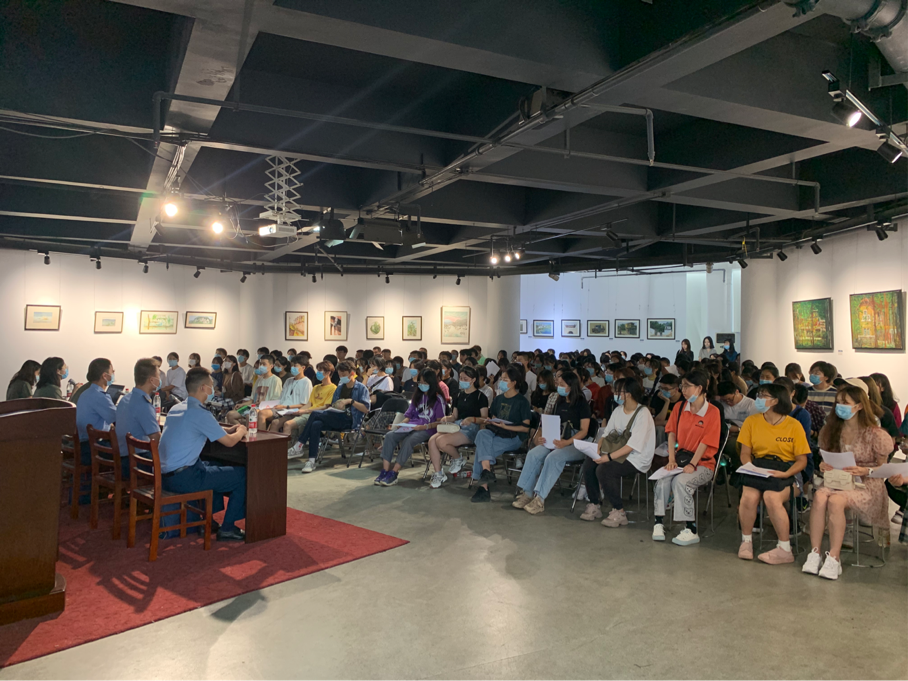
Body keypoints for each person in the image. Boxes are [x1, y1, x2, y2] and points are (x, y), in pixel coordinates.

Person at [803, 384, 892, 580]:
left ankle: (834, 558)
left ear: (859, 406)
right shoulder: (830, 430)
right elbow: (825, 457)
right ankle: (815, 553)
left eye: (845, 403)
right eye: (838, 403)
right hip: (839, 479)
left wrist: (865, 470)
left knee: (835, 501)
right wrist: (824, 465)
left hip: (867, 483)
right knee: (819, 497)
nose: (839, 406)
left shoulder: (875, 434)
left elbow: (883, 468)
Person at [158, 367, 248, 541]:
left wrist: (227, 430)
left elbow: (203, 428)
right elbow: (230, 442)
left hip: (166, 477)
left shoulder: (177, 408)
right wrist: (241, 431)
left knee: (214, 465)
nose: (213, 390)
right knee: (242, 475)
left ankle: (208, 521)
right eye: (211, 386)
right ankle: (228, 528)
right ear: (202, 388)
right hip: (185, 479)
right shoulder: (199, 413)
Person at [736, 383, 810, 565]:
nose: (759, 399)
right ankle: (746, 541)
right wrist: (750, 467)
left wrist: (785, 474)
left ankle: (784, 549)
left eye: (763, 396)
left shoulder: (794, 425)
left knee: (771, 497)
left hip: (788, 471)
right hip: (759, 468)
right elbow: (745, 453)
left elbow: (802, 460)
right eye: (759, 395)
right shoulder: (751, 422)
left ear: (775, 401)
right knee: (749, 496)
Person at [651, 370, 721, 545]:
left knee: (681, 482)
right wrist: (671, 460)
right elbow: (671, 434)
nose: (683, 390)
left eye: (687, 386)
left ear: (700, 388)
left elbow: (706, 442)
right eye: (682, 386)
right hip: (680, 460)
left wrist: (693, 464)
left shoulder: (712, 412)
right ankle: (658, 522)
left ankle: (691, 528)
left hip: (703, 464)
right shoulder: (680, 407)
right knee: (662, 480)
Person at [579, 377, 655, 526]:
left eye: (618, 391)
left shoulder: (642, 413)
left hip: (636, 457)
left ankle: (619, 511)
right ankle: (594, 504)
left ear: (628, 394)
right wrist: (598, 448)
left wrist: (607, 457)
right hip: (616, 452)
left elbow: (632, 446)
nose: (614, 394)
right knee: (589, 464)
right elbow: (606, 433)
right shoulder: (618, 410)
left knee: (604, 470)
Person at [513, 371, 591, 515]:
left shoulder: (581, 403)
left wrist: (566, 442)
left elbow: (584, 431)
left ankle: (540, 498)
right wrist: (544, 437)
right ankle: (527, 492)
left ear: (571, 386)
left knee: (553, 458)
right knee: (534, 454)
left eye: (562, 384)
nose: (559, 387)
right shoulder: (559, 401)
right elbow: (553, 423)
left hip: (575, 443)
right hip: (557, 439)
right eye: (558, 384)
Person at [287, 361, 370, 470]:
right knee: (316, 424)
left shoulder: (361, 388)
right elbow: (333, 405)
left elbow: (366, 409)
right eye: (340, 375)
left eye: (344, 375)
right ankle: (311, 461)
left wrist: (350, 401)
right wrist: (336, 406)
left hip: (350, 420)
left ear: (352, 373)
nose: (341, 377)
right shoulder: (340, 388)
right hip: (336, 417)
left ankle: (299, 445)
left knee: (315, 413)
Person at [469, 365, 533, 503]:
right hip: (497, 431)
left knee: (482, 450)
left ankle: (483, 488)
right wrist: (491, 421)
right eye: (501, 379)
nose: (501, 382)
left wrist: (507, 426)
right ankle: (486, 472)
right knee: (482, 434)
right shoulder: (498, 399)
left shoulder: (522, 402)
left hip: (513, 436)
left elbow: (525, 428)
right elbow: (494, 417)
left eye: (505, 379)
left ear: (514, 382)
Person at [376, 369, 447, 487]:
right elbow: (408, 416)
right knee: (390, 436)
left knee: (409, 440)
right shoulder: (417, 396)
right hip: (412, 425)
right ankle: (385, 470)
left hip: (428, 429)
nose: (422, 385)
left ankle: (394, 472)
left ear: (432, 383)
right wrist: (402, 423)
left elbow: (440, 421)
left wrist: (424, 426)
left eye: (425, 383)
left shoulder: (438, 399)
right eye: (420, 382)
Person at [426, 366, 490, 488]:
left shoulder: (480, 397)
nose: (462, 381)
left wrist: (472, 419)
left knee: (441, 441)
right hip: (456, 426)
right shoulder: (459, 395)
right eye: (460, 378)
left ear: (473, 380)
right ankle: (438, 473)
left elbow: (485, 419)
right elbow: (454, 416)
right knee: (432, 440)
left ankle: (457, 459)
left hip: (471, 428)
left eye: (465, 378)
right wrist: (447, 418)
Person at [280, 361, 337, 465]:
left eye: (320, 371)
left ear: (328, 373)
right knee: (284, 421)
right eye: (317, 370)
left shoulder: (333, 388)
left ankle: (285, 452)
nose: (318, 373)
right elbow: (309, 403)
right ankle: (292, 449)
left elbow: (326, 406)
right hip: (308, 412)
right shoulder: (316, 387)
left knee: (288, 424)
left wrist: (305, 411)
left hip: (316, 414)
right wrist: (298, 411)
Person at [115, 358, 162, 480]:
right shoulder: (143, 404)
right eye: (158, 376)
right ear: (152, 380)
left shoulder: (125, 399)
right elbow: (156, 439)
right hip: (137, 463)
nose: (160, 380)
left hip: (122, 459)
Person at [259, 355, 313, 434]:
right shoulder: (288, 380)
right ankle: (261, 439)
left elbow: (304, 404)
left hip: (293, 411)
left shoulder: (306, 382)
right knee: (261, 413)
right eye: (292, 365)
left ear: (303, 367)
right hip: (281, 409)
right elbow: (281, 398)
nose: (292, 368)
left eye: (295, 366)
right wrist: (273, 405)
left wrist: (285, 407)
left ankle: (270, 440)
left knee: (275, 422)